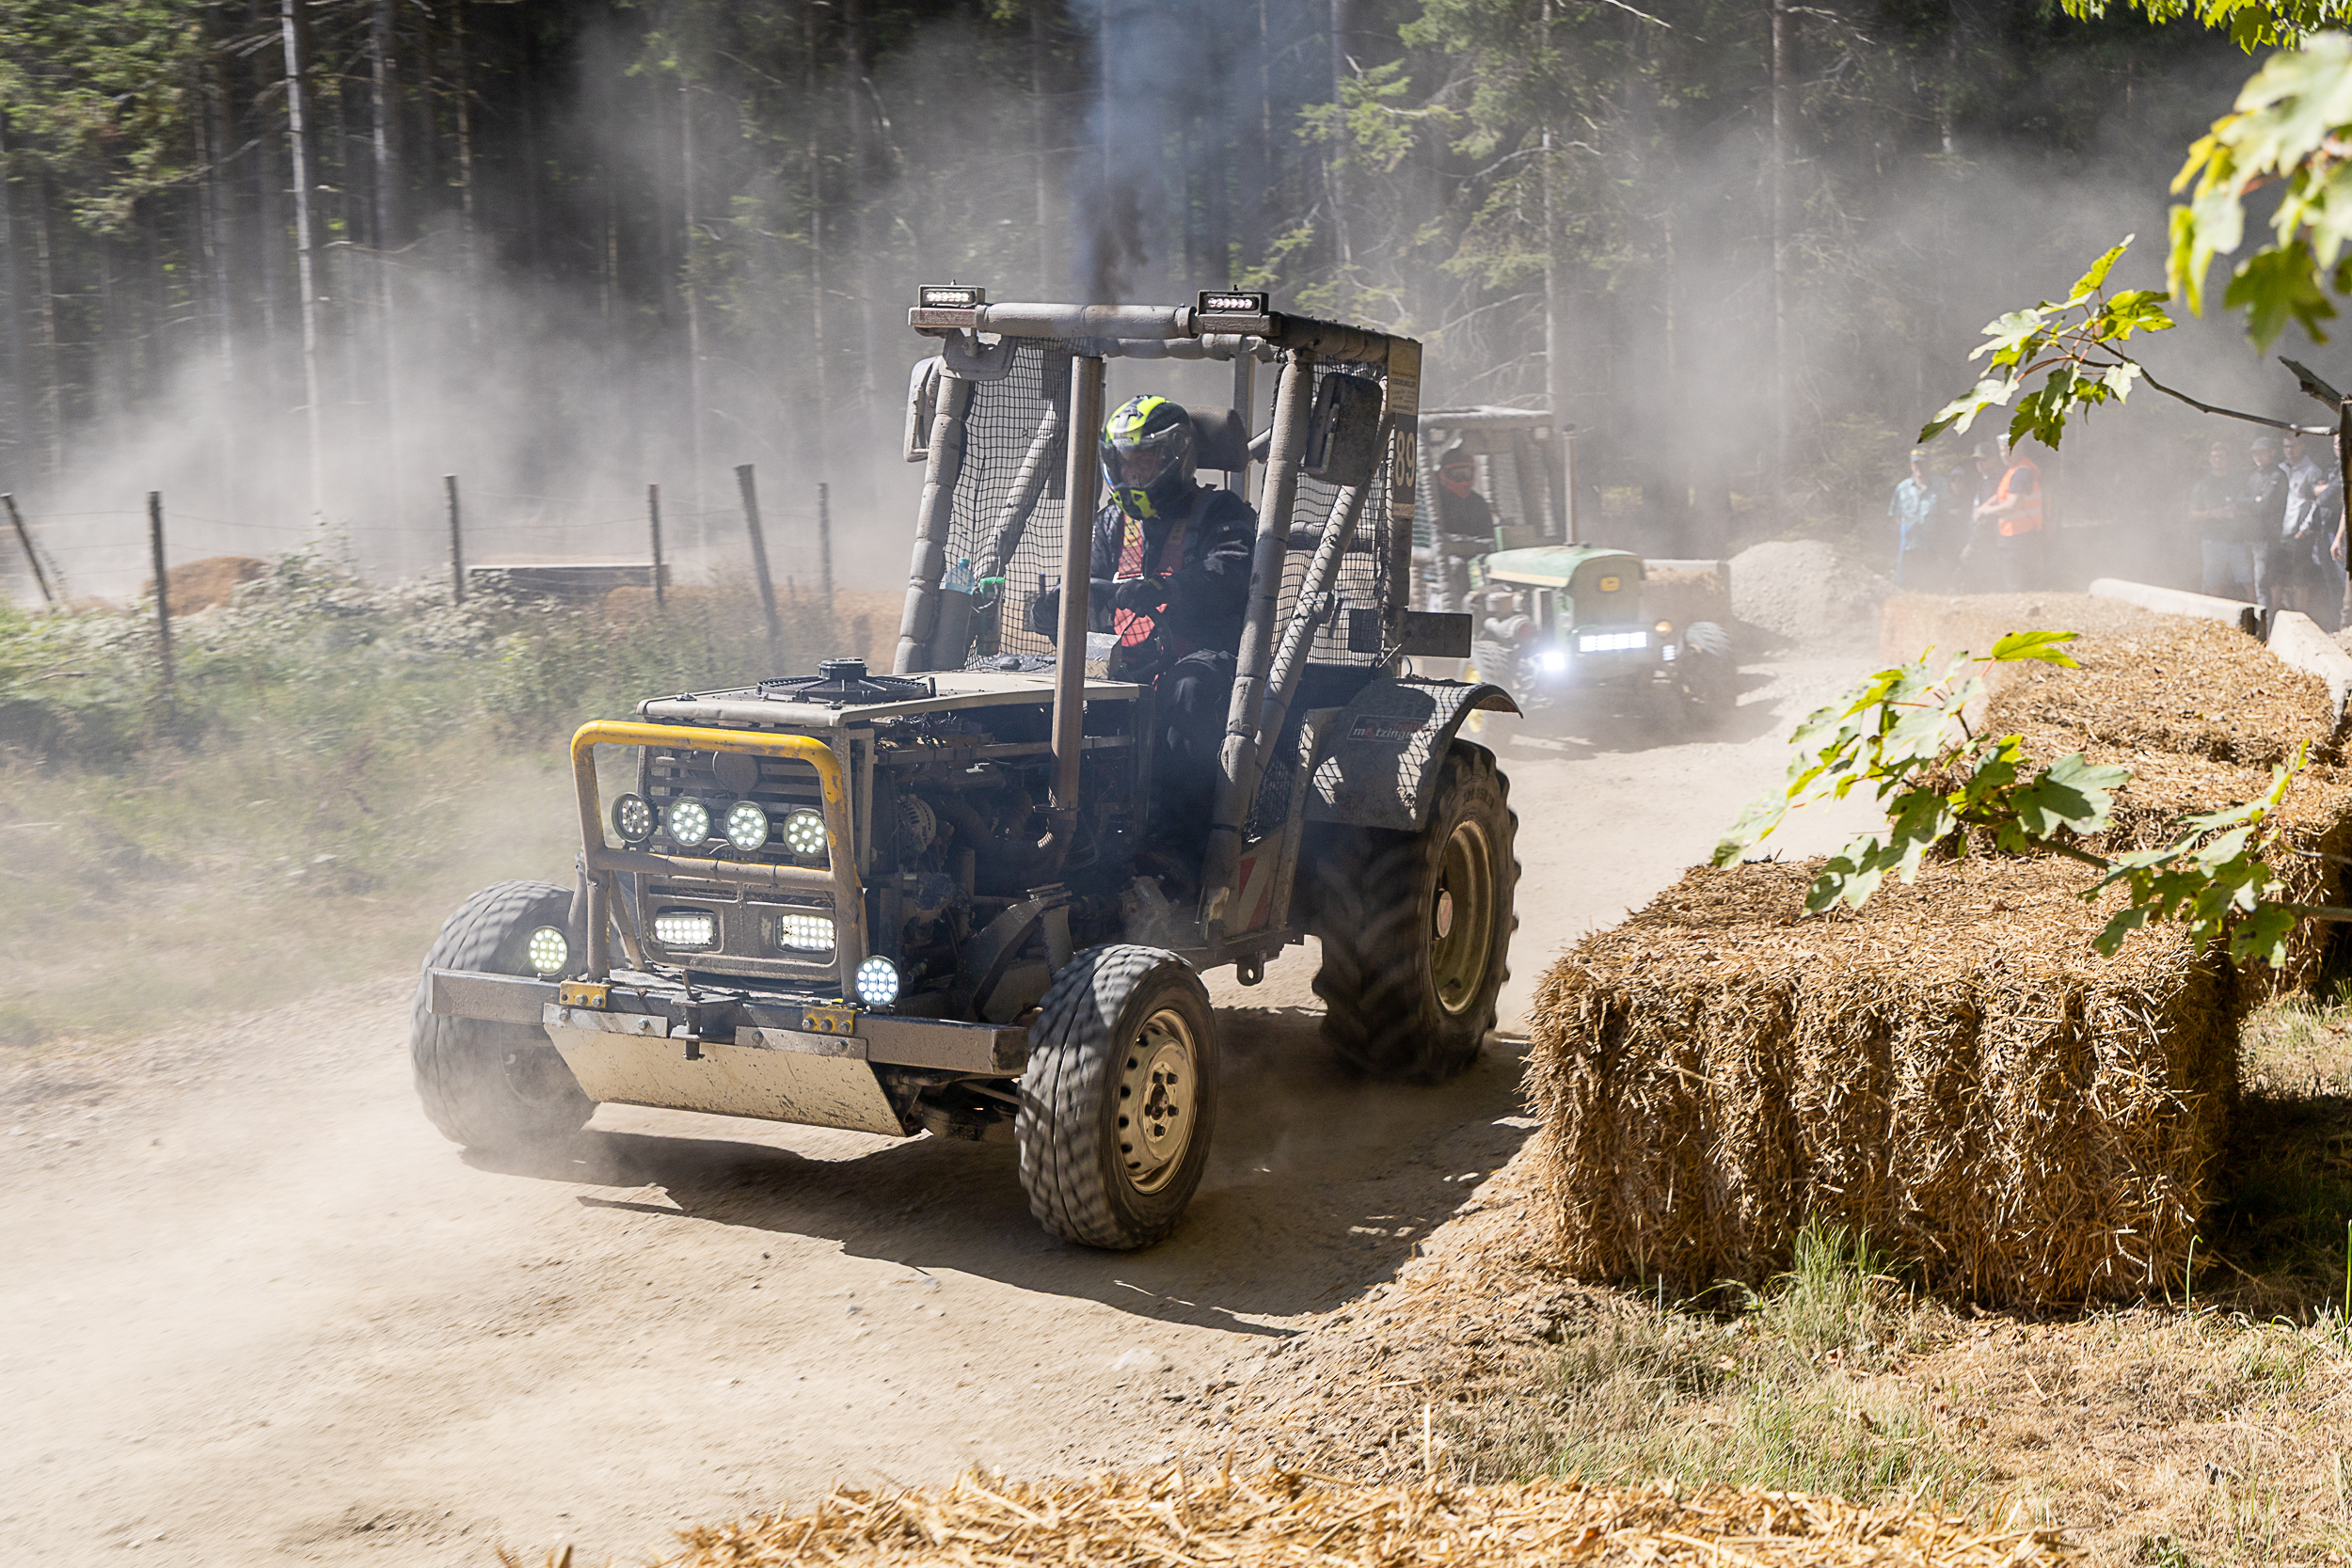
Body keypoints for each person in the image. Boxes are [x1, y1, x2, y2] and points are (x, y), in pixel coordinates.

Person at [1027, 394, 1255, 879]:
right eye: (1125, 462)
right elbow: (1088, 589)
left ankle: (1180, 848)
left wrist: (1166, 588)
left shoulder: (1221, 511)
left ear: (1176, 458)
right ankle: (1053, 834)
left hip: (1206, 654)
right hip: (1123, 662)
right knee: (1043, 698)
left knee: (1187, 690)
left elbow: (1231, 572)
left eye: (1144, 461)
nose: (1132, 473)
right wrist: (1054, 613)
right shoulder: (1111, 522)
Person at [1966, 437, 2044, 591]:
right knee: (2013, 584)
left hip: (2020, 537)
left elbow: (2013, 505)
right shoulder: (2013, 471)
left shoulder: (2022, 472)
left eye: (2009, 450)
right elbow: (2001, 495)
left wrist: (1985, 511)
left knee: (2019, 587)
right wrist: (1984, 506)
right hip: (2012, 535)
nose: (2005, 455)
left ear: (2020, 449)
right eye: (2002, 450)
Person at [1426, 444, 1496, 610]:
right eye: (1458, 475)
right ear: (1443, 476)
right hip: (1444, 560)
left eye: (1467, 474)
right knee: (1458, 567)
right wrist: (1453, 540)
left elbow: (1489, 533)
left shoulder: (1478, 502)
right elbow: (1428, 535)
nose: (1464, 481)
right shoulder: (1434, 502)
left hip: (1475, 555)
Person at [2188, 440, 2252, 598]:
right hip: (2212, 540)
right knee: (2213, 582)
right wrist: (2211, 513)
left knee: (2249, 581)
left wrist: (2236, 510)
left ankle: (2258, 611)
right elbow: (2191, 514)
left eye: (2222, 457)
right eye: (2215, 456)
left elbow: (2252, 507)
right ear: (2210, 459)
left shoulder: (2239, 482)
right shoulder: (2203, 484)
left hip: (2238, 540)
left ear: (2229, 459)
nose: (2218, 460)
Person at [2277, 430, 2328, 617]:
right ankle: (2277, 616)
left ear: (2302, 446)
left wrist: (2306, 527)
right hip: (2280, 530)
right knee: (2279, 576)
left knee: (2300, 578)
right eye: (2286, 447)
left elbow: (2316, 502)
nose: (2289, 451)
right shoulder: (2280, 469)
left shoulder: (2312, 471)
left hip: (2299, 532)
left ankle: (2300, 618)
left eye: (2293, 446)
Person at [2247, 432, 2293, 609]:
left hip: (2268, 537)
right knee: (2255, 581)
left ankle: (2266, 620)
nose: (2257, 456)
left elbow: (2266, 505)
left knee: (2264, 582)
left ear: (2272, 452)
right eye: (2254, 453)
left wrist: (2254, 502)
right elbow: (2242, 500)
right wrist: (2254, 501)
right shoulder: (2254, 476)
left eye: (2261, 452)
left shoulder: (2278, 476)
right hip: (2252, 535)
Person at [1887, 448, 1944, 589]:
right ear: (1912, 466)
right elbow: (1895, 516)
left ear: (1929, 464)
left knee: (1933, 579)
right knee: (1904, 577)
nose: (1919, 467)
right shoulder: (1902, 488)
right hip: (1909, 539)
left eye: (1922, 463)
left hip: (1932, 539)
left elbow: (1946, 512)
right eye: (1915, 464)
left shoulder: (1940, 485)